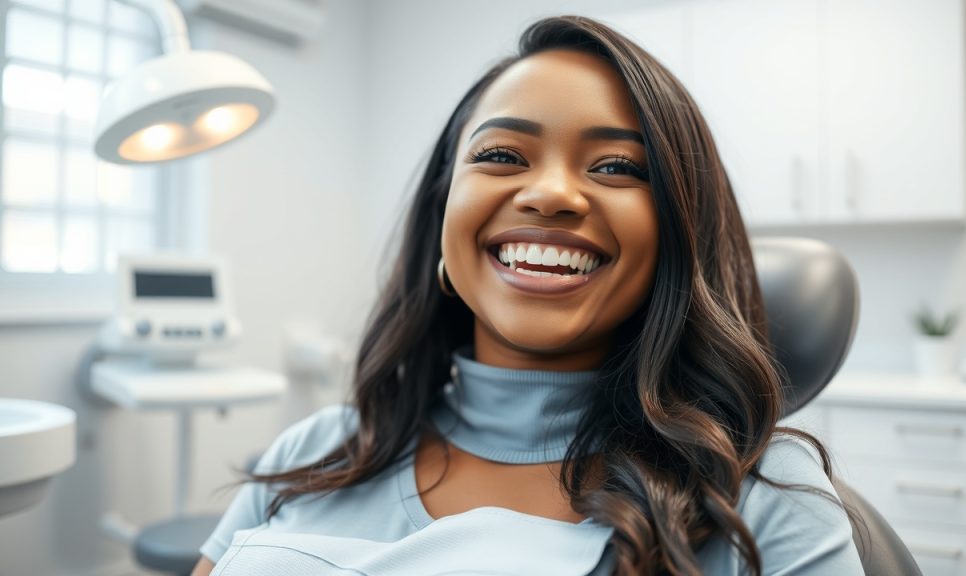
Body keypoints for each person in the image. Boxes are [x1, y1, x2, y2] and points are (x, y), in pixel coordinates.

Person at [192, 15, 864, 576]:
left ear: (676, 238)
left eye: (617, 167)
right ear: (444, 220)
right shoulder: (317, 449)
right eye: (501, 156)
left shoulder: (761, 491)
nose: (548, 194)